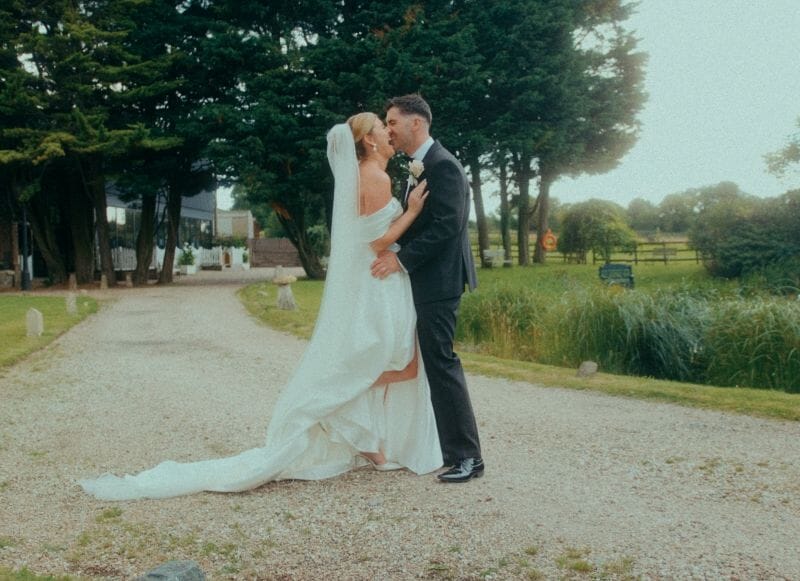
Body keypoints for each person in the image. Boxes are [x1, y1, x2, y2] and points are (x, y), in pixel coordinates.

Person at [79, 113, 442, 500]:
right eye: (382, 129)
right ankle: (343, 411)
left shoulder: (366, 175)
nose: (390, 134)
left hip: (375, 281)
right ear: (368, 141)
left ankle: (366, 436)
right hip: (377, 279)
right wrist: (413, 213)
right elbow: (376, 241)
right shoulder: (375, 177)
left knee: (393, 359)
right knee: (397, 361)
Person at [371, 94, 484, 483]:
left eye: (392, 122)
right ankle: (444, 449)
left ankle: (468, 457)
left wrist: (400, 259)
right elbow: (422, 223)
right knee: (431, 364)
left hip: (439, 281)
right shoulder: (419, 167)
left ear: (415, 123)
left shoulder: (443, 166)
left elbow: (447, 226)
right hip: (425, 278)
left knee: (442, 362)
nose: (388, 129)